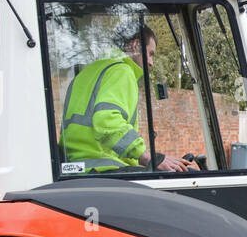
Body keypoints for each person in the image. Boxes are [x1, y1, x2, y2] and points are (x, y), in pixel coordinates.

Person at [61, 25, 195, 173]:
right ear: (135, 45)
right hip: (104, 169)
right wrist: (148, 157)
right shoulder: (122, 71)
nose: (151, 63)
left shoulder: (88, 73)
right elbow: (107, 122)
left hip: (77, 169)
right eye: (150, 54)